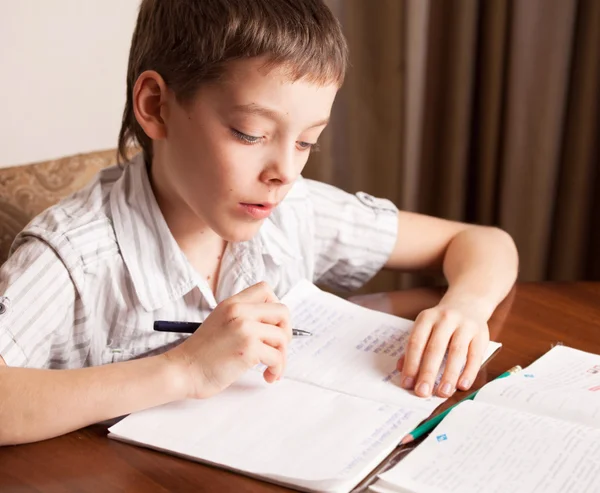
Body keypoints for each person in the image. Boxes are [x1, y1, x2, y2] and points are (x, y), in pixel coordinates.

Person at [0, 0, 518, 446]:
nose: (285, 172)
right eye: (250, 133)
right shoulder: (75, 255)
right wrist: (182, 370)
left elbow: (483, 242)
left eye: (307, 141)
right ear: (156, 106)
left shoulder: (292, 211)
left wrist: (466, 307)